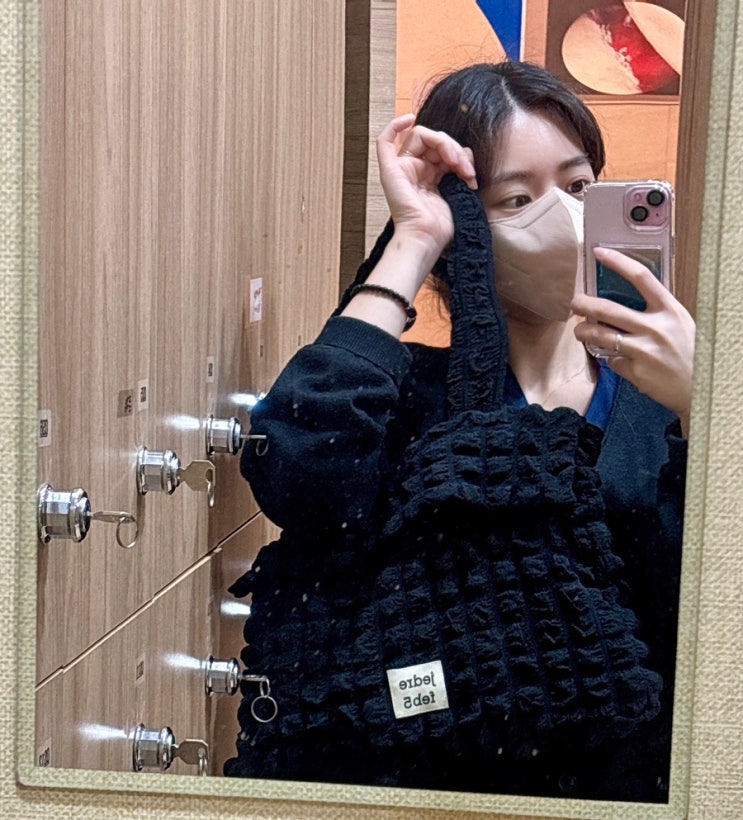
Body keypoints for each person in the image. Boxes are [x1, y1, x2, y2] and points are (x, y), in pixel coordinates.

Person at [228, 61, 693, 801]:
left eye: (578, 187)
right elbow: (298, 472)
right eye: (517, 199)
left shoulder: (669, 398)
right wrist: (413, 240)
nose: (563, 217)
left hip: (633, 789)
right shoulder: (411, 397)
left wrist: (705, 405)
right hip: (429, 789)